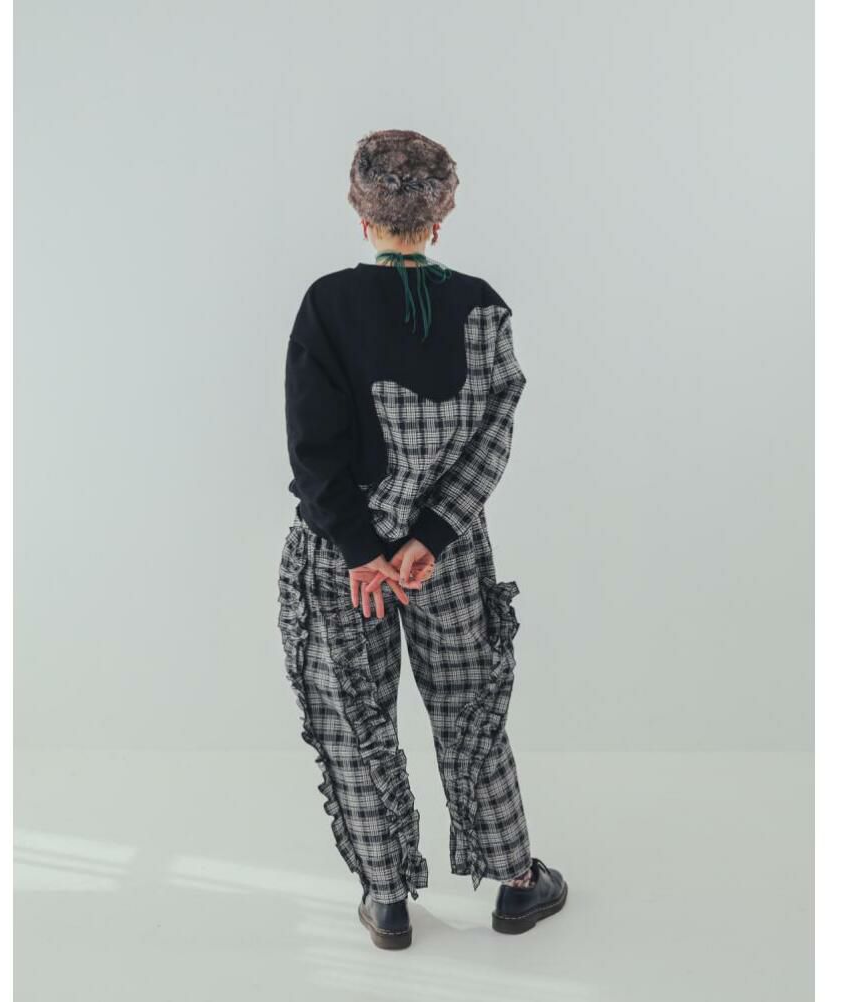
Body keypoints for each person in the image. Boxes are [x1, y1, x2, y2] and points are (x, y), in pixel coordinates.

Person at [276, 128, 567, 949]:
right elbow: (494, 437)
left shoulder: (327, 303)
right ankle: (515, 883)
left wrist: (363, 549)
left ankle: (388, 899)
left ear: (359, 211)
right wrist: (431, 536)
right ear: (441, 218)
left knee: (354, 717)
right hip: (447, 557)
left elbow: (312, 449)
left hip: (345, 563)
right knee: (469, 710)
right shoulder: (482, 305)